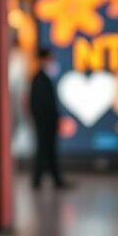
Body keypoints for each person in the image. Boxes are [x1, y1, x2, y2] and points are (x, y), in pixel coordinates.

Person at [29, 47, 70, 189]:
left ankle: (54, 180)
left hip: (47, 122)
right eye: (49, 58)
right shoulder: (39, 79)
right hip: (44, 123)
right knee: (44, 150)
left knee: (48, 150)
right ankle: (40, 180)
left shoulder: (43, 78)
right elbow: (39, 104)